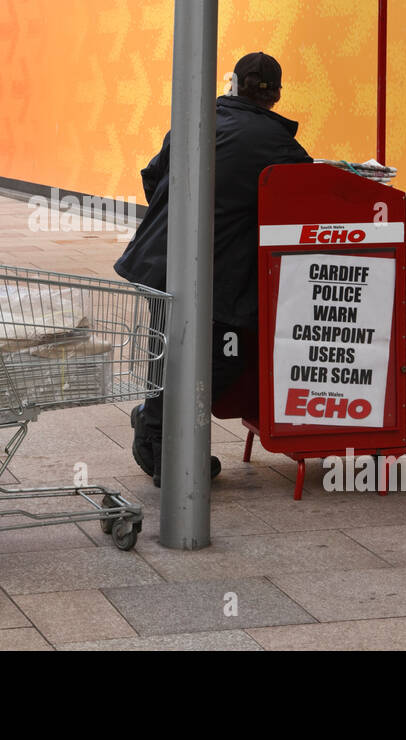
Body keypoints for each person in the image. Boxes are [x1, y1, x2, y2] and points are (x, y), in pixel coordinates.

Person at [114, 52, 313, 486]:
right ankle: (165, 446)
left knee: (168, 352)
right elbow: (305, 196)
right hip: (212, 276)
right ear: (276, 95)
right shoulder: (276, 142)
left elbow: (152, 177)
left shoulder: (195, 118)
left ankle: (159, 439)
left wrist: (183, 225)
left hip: (158, 262)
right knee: (224, 356)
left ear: (235, 84)